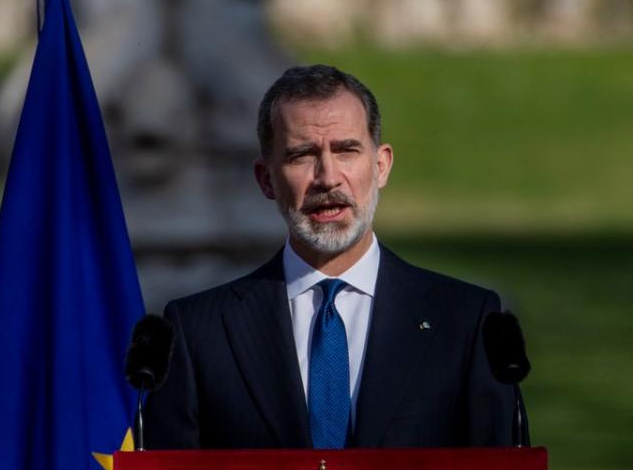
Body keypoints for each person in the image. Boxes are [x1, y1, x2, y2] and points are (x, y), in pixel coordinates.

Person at [144, 64, 525, 449]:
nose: (327, 177)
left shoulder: (464, 322)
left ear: (381, 166)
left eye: (346, 150)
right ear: (266, 179)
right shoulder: (198, 332)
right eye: (302, 155)